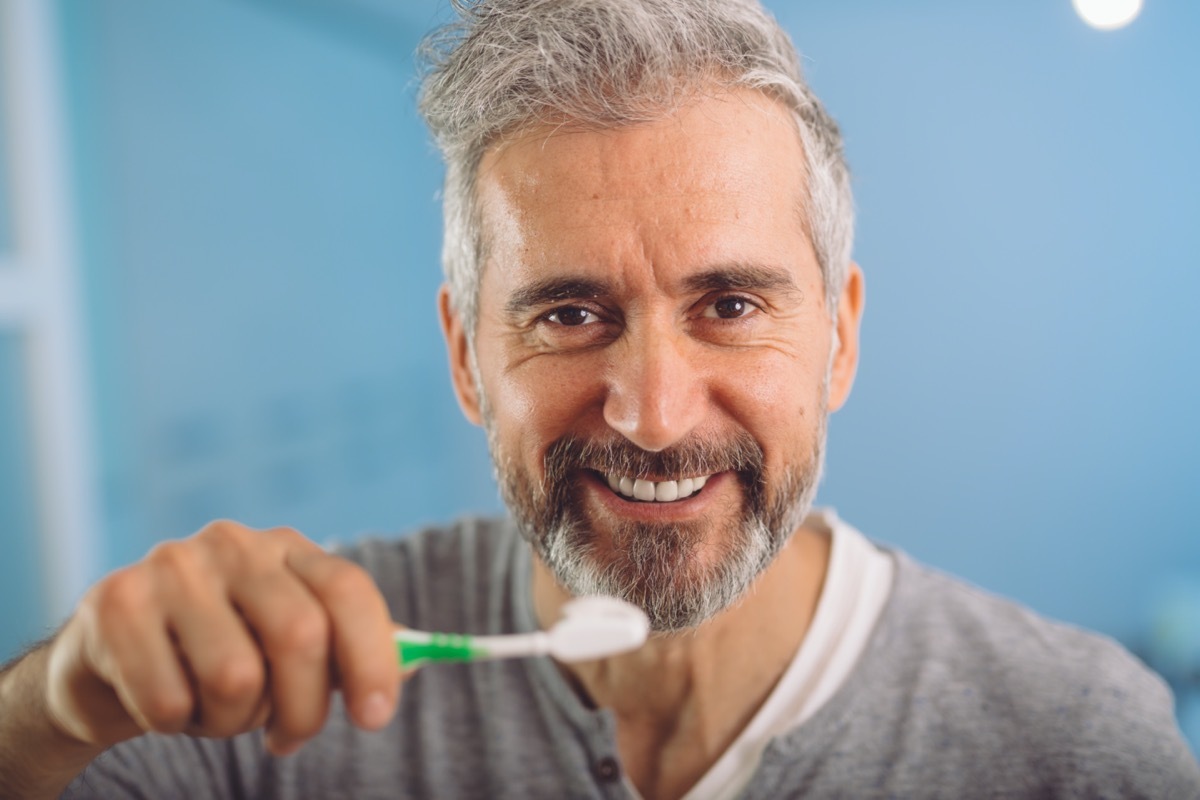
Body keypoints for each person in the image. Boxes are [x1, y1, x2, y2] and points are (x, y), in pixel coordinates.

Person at [2, 0, 1198, 797]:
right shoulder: (274, 696)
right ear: (467, 357)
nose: (655, 414)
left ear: (838, 336)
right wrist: (55, 706)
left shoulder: (1070, 739)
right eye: (570, 314)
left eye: (730, 303)